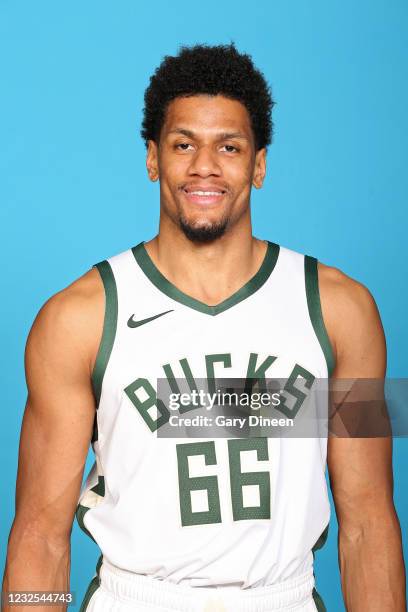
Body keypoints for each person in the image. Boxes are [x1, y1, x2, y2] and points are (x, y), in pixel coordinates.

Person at [2, 43, 405, 612]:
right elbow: (39, 533)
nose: (204, 167)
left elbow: (368, 520)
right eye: (183, 144)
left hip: (281, 598)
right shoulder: (78, 317)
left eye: (230, 147)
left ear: (259, 165)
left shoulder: (342, 311)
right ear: (152, 158)